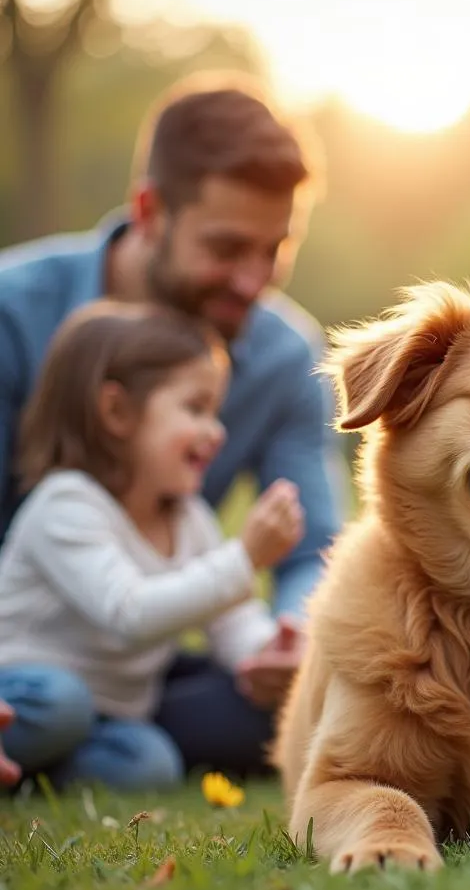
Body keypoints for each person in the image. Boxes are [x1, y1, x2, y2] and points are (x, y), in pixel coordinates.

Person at [0, 72, 342, 776]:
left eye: (276, 249)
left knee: (284, 707)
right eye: (226, 248)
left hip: (136, 669)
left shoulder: (285, 354)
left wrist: (290, 640)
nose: (254, 281)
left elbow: (312, 547)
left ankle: (82, 751)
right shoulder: (13, 311)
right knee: (53, 701)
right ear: (150, 211)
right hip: (24, 656)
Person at [0, 300, 304, 790]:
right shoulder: (66, 505)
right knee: (61, 704)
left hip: (109, 717)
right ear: (116, 412)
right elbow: (130, 615)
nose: (217, 431)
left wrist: (267, 651)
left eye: (217, 411)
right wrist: (245, 557)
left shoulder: (190, 518)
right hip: (23, 692)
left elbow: (230, 620)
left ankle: (31, 777)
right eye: (196, 408)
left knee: (151, 764)